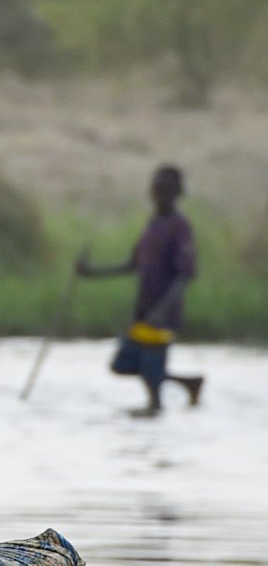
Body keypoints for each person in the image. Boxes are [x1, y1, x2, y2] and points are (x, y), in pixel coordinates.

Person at [78, 165, 202, 415]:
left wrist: (162, 311)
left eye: (165, 190)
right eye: (156, 189)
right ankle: (187, 384)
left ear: (177, 193)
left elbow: (184, 275)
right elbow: (134, 264)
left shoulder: (180, 227)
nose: (160, 195)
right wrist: (92, 272)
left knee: (153, 392)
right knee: (122, 364)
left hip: (162, 316)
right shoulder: (153, 224)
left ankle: (152, 420)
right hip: (143, 311)